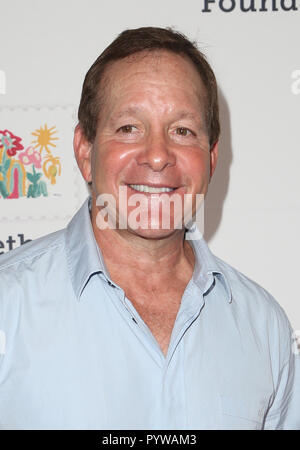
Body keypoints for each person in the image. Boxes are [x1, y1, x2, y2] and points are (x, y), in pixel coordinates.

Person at [0, 27, 299, 430]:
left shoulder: (264, 327)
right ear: (85, 151)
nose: (158, 156)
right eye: (129, 128)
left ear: (211, 159)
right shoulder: (9, 304)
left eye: (182, 131)